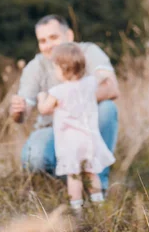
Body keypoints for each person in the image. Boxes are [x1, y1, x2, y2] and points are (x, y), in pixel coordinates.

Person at [9, 15, 119, 192]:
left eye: (53, 37)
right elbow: (21, 115)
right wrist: (17, 110)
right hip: (52, 129)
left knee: (107, 109)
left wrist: (69, 102)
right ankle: (71, 182)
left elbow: (112, 89)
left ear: (69, 35)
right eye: (42, 41)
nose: (49, 45)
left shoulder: (88, 51)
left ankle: (99, 182)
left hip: (87, 126)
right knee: (33, 158)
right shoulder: (36, 66)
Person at [36, 42, 115, 211]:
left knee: (74, 176)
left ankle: (77, 208)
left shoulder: (57, 92)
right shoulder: (90, 83)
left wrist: (41, 98)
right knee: (91, 172)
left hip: (70, 143)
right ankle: (98, 202)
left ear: (62, 68)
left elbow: (44, 109)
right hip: (89, 139)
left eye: (56, 67)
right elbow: (103, 77)